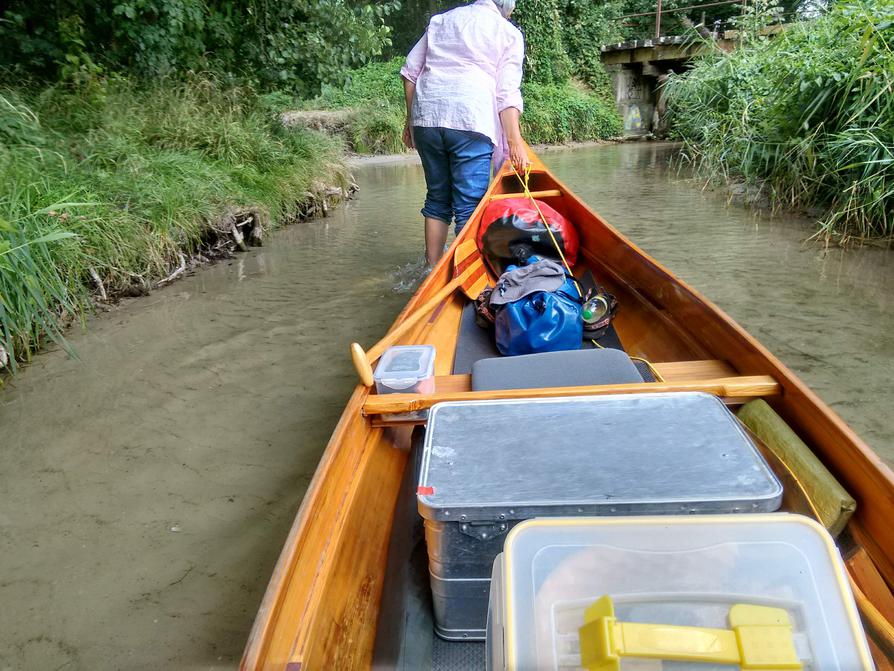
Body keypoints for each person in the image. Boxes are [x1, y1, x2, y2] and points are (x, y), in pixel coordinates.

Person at [400, 0, 531, 267]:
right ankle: (467, 273)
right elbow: (506, 93)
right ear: (506, 6)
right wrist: (515, 142)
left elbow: (410, 72)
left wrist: (411, 121)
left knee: (437, 197)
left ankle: (431, 270)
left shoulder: (442, 20)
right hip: (470, 118)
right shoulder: (507, 33)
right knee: (469, 206)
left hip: (427, 117)